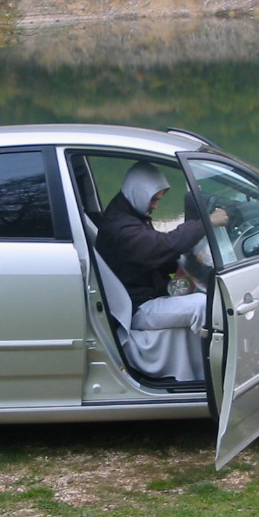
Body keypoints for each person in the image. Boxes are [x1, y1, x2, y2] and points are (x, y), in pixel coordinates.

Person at [95, 161, 229, 380]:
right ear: (139, 192)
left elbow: (150, 252)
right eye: (154, 199)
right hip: (134, 308)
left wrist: (183, 263)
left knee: (200, 294)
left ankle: (201, 368)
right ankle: (219, 371)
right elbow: (162, 245)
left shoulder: (127, 213)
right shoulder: (120, 226)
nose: (156, 206)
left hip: (138, 294)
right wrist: (208, 221)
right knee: (205, 305)